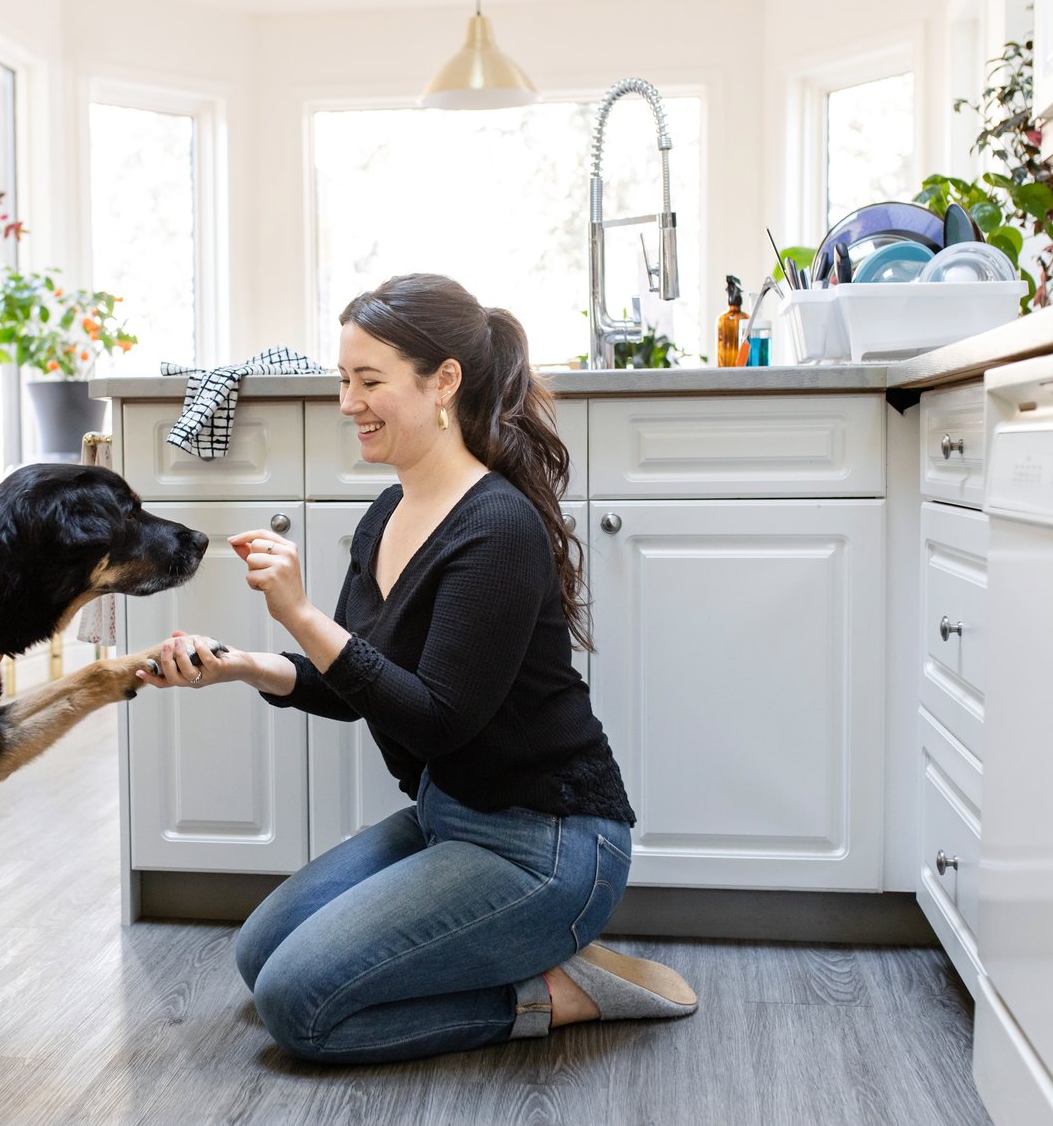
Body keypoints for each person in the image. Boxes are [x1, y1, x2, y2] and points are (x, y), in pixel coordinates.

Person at [136, 273, 697, 1064]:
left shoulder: (497, 526)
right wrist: (236, 664)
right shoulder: (386, 513)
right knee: (259, 954)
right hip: (450, 816)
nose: (347, 402)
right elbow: (354, 683)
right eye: (343, 379)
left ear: (443, 383)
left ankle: (554, 990)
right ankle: (502, 951)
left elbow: (436, 716)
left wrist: (302, 613)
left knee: (299, 1007)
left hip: (550, 844)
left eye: (369, 381)